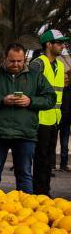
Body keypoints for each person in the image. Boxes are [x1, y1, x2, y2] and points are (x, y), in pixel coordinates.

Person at [0, 43, 55, 193]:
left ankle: (25, 210)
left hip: (25, 134)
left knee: (24, 175)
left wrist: (31, 101)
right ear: (5, 59)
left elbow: (50, 98)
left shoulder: (36, 77)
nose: (16, 64)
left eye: (19, 61)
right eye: (12, 61)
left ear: (25, 59)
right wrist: (1, 100)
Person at [29, 29, 68, 196]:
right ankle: (39, 192)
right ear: (48, 44)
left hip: (54, 119)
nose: (62, 46)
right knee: (40, 159)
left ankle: (46, 190)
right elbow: (30, 90)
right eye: (59, 43)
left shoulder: (59, 65)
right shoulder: (38, 64)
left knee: (49, 160)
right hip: (39, 119)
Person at [59, 41, 71, 171]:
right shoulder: (60, 89)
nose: (65, 80)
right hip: (57, 119)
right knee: (51, 145)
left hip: (66, 120)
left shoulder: (68, 91)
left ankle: (63, 163)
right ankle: (51, 164)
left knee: (64, 143)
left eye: (67, 78)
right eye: (64, 78)